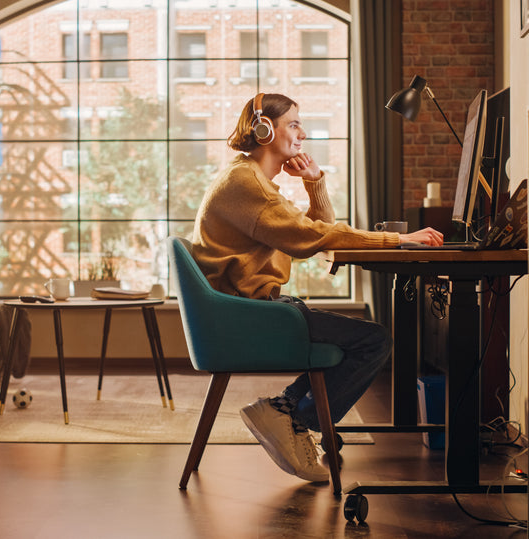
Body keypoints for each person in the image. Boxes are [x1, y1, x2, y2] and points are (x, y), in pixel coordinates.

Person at [190, 93, 443, 482]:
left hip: (248, 309)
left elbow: (317, 233)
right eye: (293, 123)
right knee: (373, 340)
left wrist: (314, 184)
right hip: (247, 316)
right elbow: (315, 237)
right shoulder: (247, 184)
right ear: (264, 129)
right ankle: (293, 416)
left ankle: (288, 411)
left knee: (357, 338)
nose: (302, 133)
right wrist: (399, 241)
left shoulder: (248, 178)